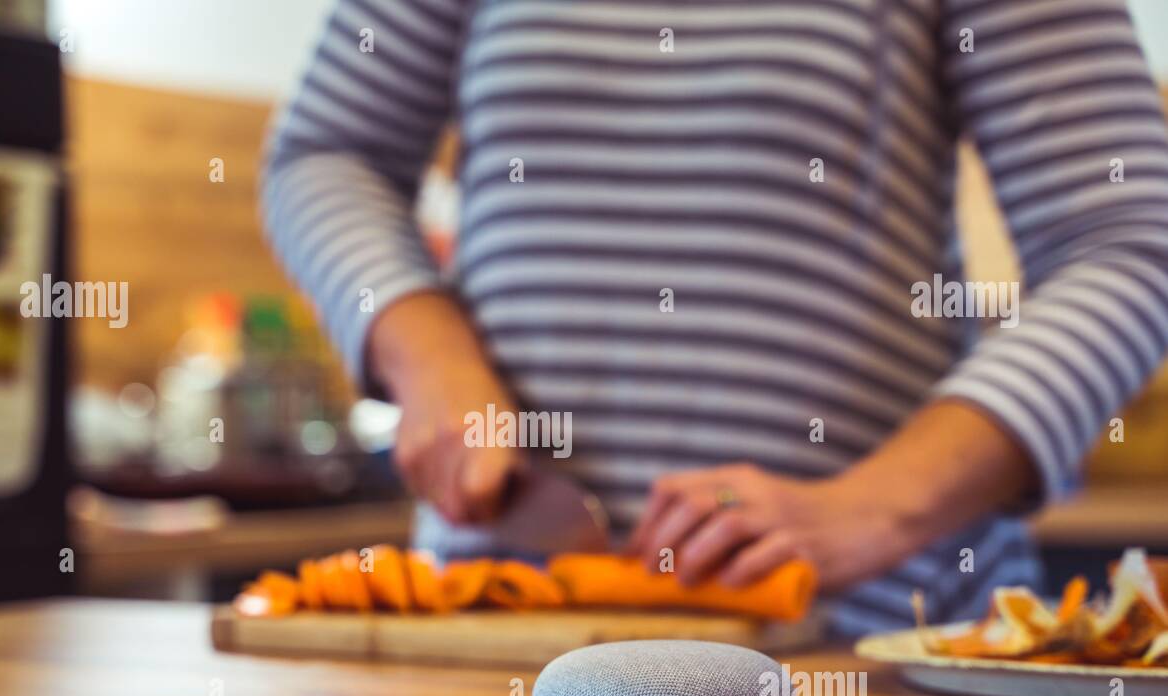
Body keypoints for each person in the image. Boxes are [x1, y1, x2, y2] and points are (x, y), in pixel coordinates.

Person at [262, 0, 1168, 639]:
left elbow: (1131, 240)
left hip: (858, 648)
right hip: (490, 635)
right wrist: (432, 367)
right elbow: (327, 154)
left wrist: (873, 511)